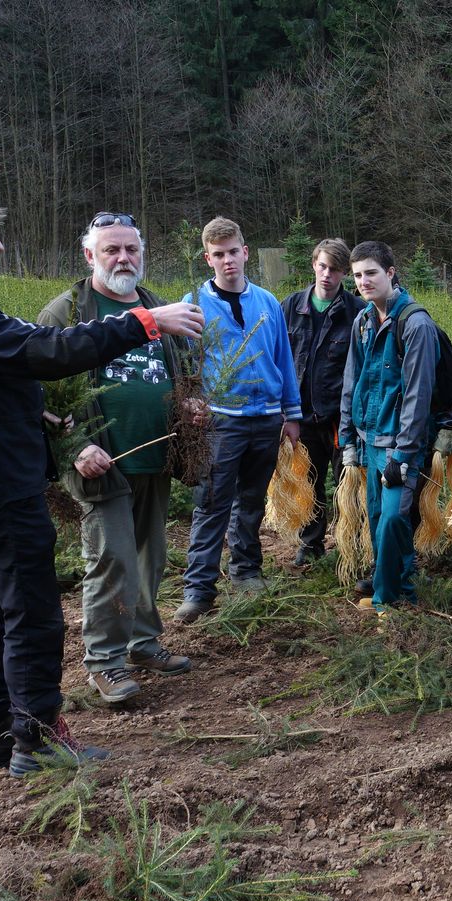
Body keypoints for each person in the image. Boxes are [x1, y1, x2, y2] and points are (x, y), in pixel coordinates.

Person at [0, 186, 205, 776]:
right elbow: (49, 349)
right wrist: (143, 321)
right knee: (31, 617)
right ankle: (36, 738)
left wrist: (29, 410)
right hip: (0, 486)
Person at [37, 212, 196, 706]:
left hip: (155, 453)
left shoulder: (155, 306)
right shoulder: (66, 312)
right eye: (111, 250)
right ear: (90, 256)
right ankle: (104, 663)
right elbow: (41, 395)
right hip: (101, 463)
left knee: (151, 558)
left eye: (131, 249)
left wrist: (191, 403)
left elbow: (184, 368)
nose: (123, 258)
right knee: (112, 561)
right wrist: (75, 445)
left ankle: (143, 643)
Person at [174, 217, 303, 623]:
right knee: (211, 503)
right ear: (207, 258)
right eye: (218, 255)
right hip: (219, 420)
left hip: (266, 418)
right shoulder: (193, 302)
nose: (227, 260)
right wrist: (189, 402)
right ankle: (199, 588)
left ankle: (247, 570)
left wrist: (292, 413)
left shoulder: (267, 302)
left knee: (250, 502)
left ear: (245, 252)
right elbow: (182, 362)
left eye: (233, 251)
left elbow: (283, 357)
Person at [339, 241, 441, 613]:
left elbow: (418, 394)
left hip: (399, 444)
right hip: (370, 439)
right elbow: (353, 380)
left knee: (394, 521)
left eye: (371, 273)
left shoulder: (415, 324)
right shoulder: (364, 321)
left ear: (391, 273)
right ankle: (400, 592)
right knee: (379, 517)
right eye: (358, 275)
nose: (364, 281)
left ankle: (387, 602)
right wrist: (348, 434)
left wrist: (403, 453)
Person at [283, 238, 367, 567]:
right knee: (308, 482)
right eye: (322, 266)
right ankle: (311, 543)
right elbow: (278, 360)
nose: (327, 274)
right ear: (313, 265)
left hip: (339, 418)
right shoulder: (290, 306)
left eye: (335, 269)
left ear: (345, 272)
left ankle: (355, 545)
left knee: (347, 484)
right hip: (301, 415)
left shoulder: (357, 312)